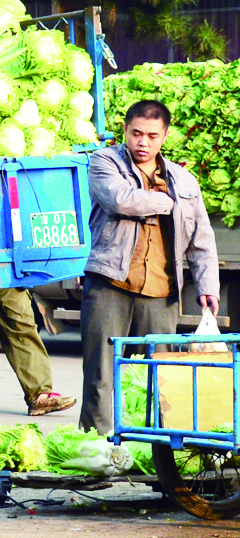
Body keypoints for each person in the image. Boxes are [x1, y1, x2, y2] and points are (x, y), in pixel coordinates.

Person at [79, 99, 221, 433]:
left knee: (160, 374)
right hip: (110, 283)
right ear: (125, 131)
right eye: (137, 133)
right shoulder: (104, 161)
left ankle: (155, 449)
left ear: (165, 136)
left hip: (161, 290)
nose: (143, 143)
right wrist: (166, 202)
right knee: (101, 373)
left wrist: (207, 288)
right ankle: (97, 448)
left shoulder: (184, 180)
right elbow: (120, 199)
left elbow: (202, 240)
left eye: (152, 136)